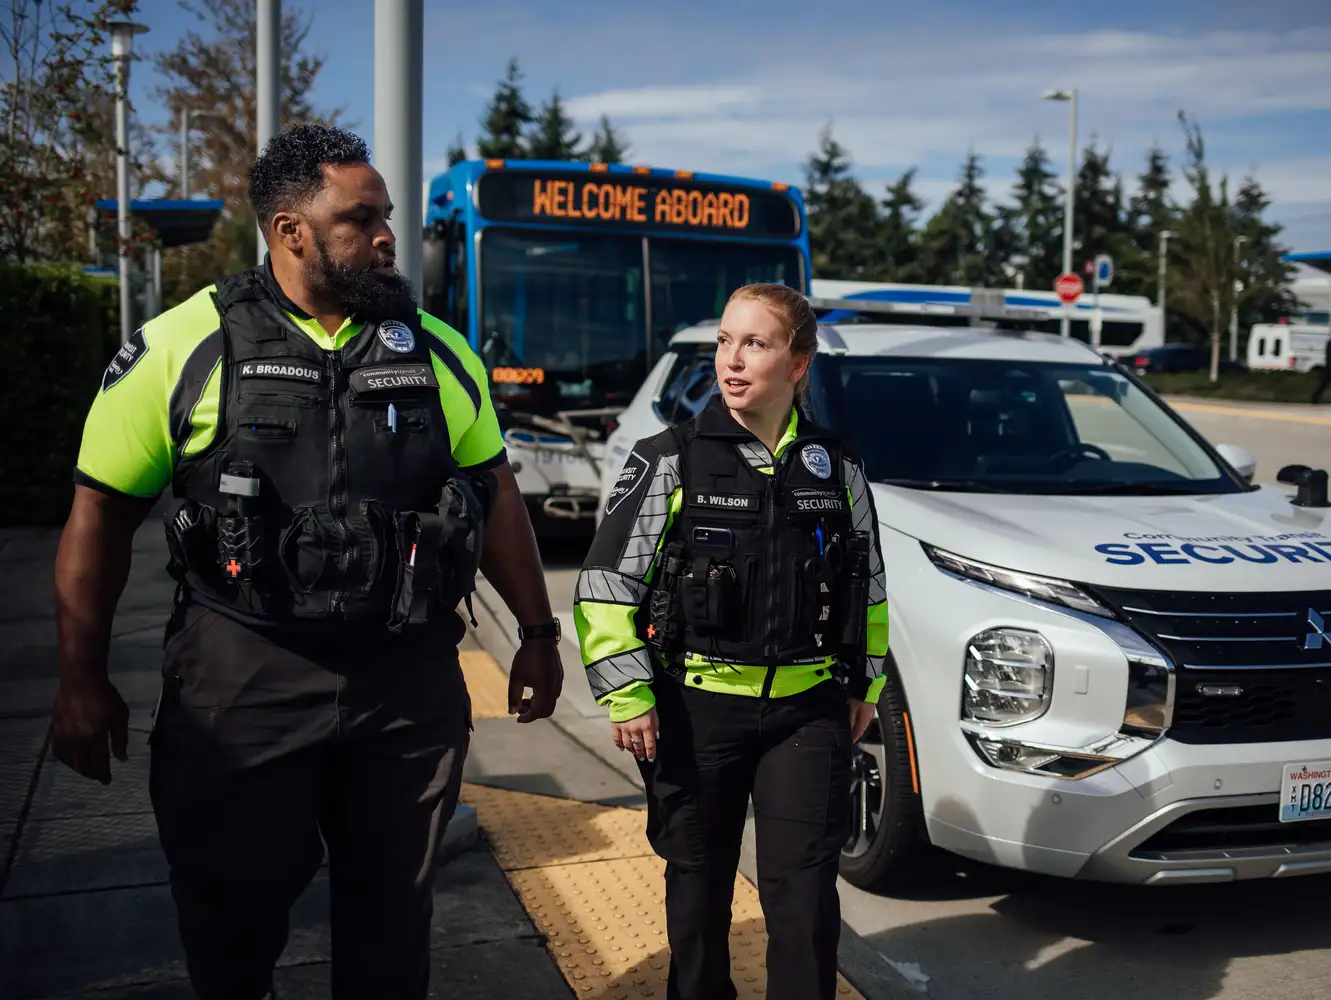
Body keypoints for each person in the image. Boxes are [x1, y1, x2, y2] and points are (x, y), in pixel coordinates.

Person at [50, 124, 565, 1000]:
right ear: (290, 231)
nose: (386, 237)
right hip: (243, 676)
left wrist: (538, 631)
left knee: (393, 921)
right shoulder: (183, 346)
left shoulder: (436, 350)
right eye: (359, 219)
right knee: (231, 915)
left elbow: (497, 491)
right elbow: (98, 513)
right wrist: (79, 677)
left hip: (405, 682)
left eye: (386, 217)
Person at [573, 283, 889, 1000]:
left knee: (805, 901)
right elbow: (604, 584)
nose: (732, 360)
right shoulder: (670, 458)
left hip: (807, 711)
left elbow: (868, 581)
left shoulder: (835, 466)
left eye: (756, 343)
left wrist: (863, 684)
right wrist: (628, 696)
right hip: (695, 710)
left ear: (798, 363)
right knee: (698, 891)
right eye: (724, 341)